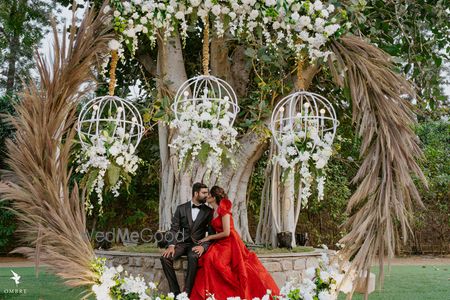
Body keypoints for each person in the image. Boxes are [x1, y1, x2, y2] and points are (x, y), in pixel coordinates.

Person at [190, 186, 280, 300]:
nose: (206, 197)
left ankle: (230, 292)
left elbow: (227, 232)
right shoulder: (213, 211)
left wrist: (209, 237)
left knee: (218, 262)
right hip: (219, 242)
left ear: (213, 197)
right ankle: (211, 292)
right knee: (208, 258)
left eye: (208, 195)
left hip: (230, 241)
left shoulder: (224, 210)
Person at [160, 182, 214, 296]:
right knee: (165, 258)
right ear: (196, 193)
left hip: (197, 243)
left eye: (207, 192)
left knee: (193, 256)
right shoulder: (181, 208)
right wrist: (171, 245)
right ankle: (175, 292)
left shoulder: (209, 211)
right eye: (204, 193)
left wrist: (203, 247)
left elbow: (211, 233)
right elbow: (174, 229)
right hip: (181, 243)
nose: (206, 195)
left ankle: (187, 293)